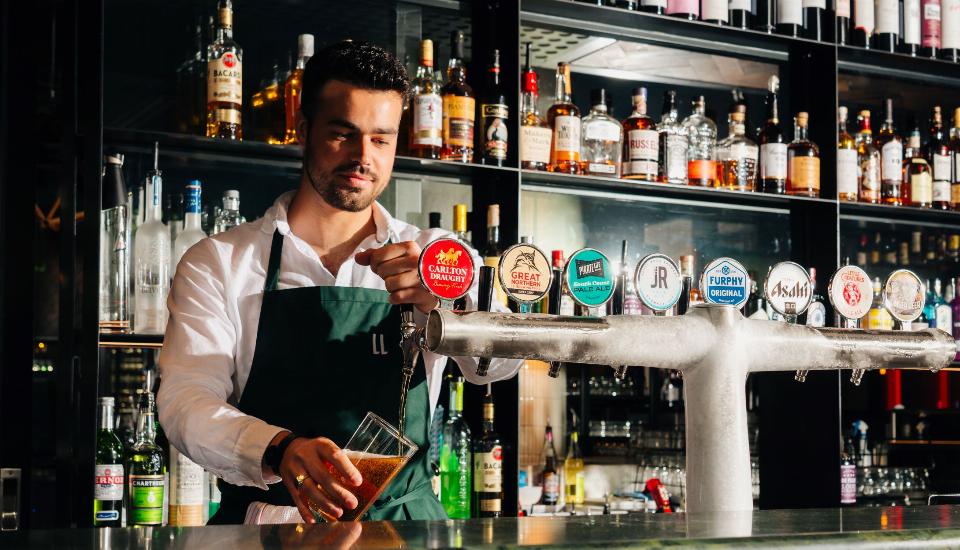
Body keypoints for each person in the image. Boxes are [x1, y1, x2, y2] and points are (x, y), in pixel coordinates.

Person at [157, 41, 521, 525]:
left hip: (405, 526)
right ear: (304, 131)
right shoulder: (221, 261)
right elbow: (185, 402)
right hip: (271, 527)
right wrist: (280, 448)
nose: (362, 157)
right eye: (343, 134)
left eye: (381, 139)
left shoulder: (436, 255)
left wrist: (447, 310)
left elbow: (498, 368)